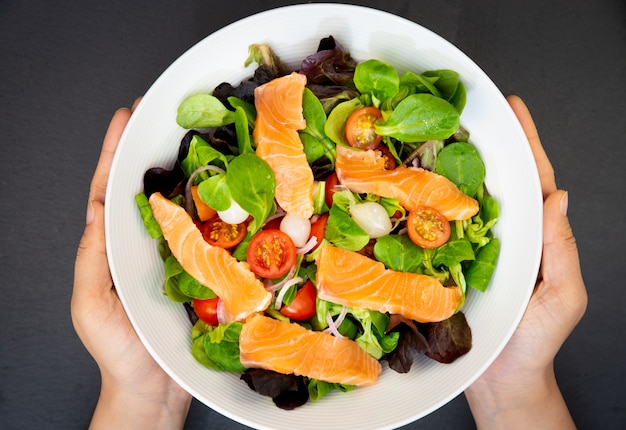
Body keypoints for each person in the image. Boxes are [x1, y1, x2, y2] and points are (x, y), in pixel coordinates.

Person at [72, 96, 587, 429]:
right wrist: (516, 397)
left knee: (320, 265)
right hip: (286, 265)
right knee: (257, 283)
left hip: (315, 243)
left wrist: (141, 403)